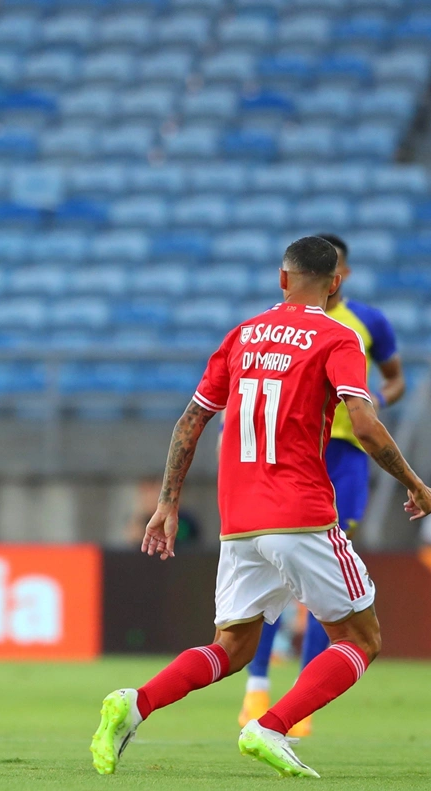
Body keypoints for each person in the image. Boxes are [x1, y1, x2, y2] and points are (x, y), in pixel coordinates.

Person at [90, 237, 431, 779]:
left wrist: (167, 504)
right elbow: (364, 426)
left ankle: (135, 704)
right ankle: (271, 726)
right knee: (362, 639)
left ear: (281, 279)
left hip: (239, 521)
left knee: (233, 645)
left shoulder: (242, 335)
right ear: (336, 283)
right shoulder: (338, 336)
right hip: (302, 513)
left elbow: (190, 422)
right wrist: (414, 481)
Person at [238, 233, 406, 736]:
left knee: (322, 583)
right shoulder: (279, 329)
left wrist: (377, 401)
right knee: (276, 581)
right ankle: (257, 689)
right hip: (292, 454)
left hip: (343, 456)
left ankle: (302, 700)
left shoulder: (367, 324)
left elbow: (395, 378)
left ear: (343, 277)